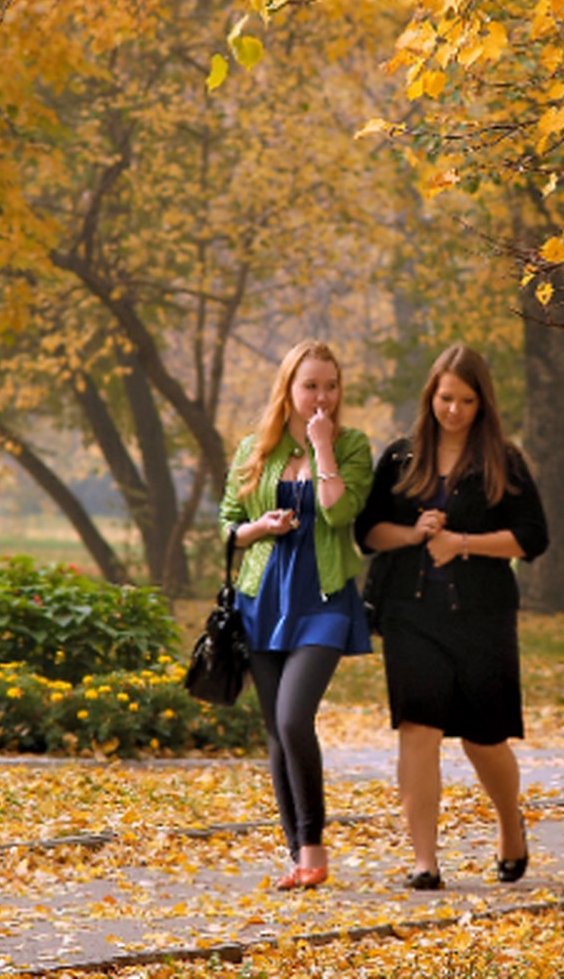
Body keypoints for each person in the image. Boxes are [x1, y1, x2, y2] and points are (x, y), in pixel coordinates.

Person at [356, 344, 549, 891]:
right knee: (417, 729)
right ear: (430, 396)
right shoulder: (399, 458)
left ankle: (511, 828)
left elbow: (533, 537)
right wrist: (415, 535)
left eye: (466, 400)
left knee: (483, 739)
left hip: (482, 616)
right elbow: (368, 533)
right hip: (410, 615)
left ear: (482, 402)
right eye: (446, 397)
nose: (454, 410)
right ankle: (425, 861)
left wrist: (461, 542)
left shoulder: (502, 463)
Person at [218, 340, 374, 892]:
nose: (321, 397)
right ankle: (299, 854)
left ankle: (313, 845)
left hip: (324, 601)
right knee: (276, 733)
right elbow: (227, 525)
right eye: (310, 386)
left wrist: (321, 446)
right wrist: (261, 527)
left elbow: (339, 510)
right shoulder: (253, 450)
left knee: (292, 718)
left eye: (330, 386)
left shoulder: (351, 445)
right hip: (262, 601)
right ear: (287, 389)